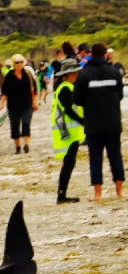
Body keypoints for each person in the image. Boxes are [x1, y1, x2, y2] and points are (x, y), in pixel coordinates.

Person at [74, 42, 125, 201]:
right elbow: (121, 95)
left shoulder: (84, 74)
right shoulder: (114, 72)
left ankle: (98, 194)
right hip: (113, 122)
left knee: (95, 157)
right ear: (105, 55)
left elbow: (77, 99)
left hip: (93, 123)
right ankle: (120, 191)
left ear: (91, 55)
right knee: (115, 155)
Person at [52, 64, 85, 203]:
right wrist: (84, 121)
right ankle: (61, 195)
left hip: (70, 133)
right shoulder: (65, 88)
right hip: (67, 133)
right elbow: (69, 111)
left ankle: (62, 194)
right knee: (68, 164)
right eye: (76, 72)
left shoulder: (66, 87)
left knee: (69, 164)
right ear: (70, 74)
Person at [0, 55, 36, 155]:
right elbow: (5, 92)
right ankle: (18, 147)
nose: (19, 64)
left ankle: (26, 144)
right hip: (13, 105)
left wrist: (34, 101)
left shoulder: (27, 74)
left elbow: (33, 89)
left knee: (26, 122)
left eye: (21, 62)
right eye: (17, 62)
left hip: (27, 104)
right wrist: (2, 104)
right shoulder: (9, 77)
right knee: (14, 125)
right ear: (13, 64)